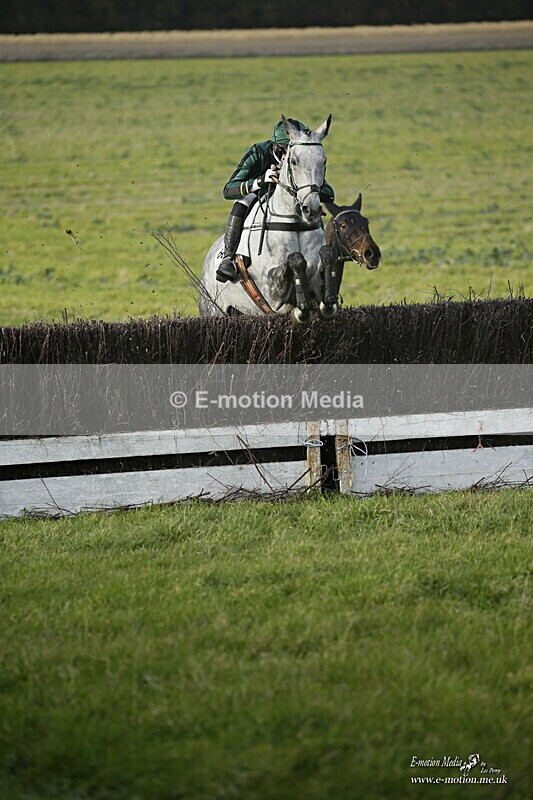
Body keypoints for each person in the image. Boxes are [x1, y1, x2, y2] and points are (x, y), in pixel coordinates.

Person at [216, 118, 335, 283]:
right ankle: (228, 259)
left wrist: (310, 189)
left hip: (293, 200)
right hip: (259, 193)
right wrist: (258, 182)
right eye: (284, 150)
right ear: (276, 147)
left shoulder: (301, 157)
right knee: (242, 202)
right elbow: (229, 190)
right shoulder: (258, 152)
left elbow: (329, 195)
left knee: (312, 204)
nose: (287, 156)